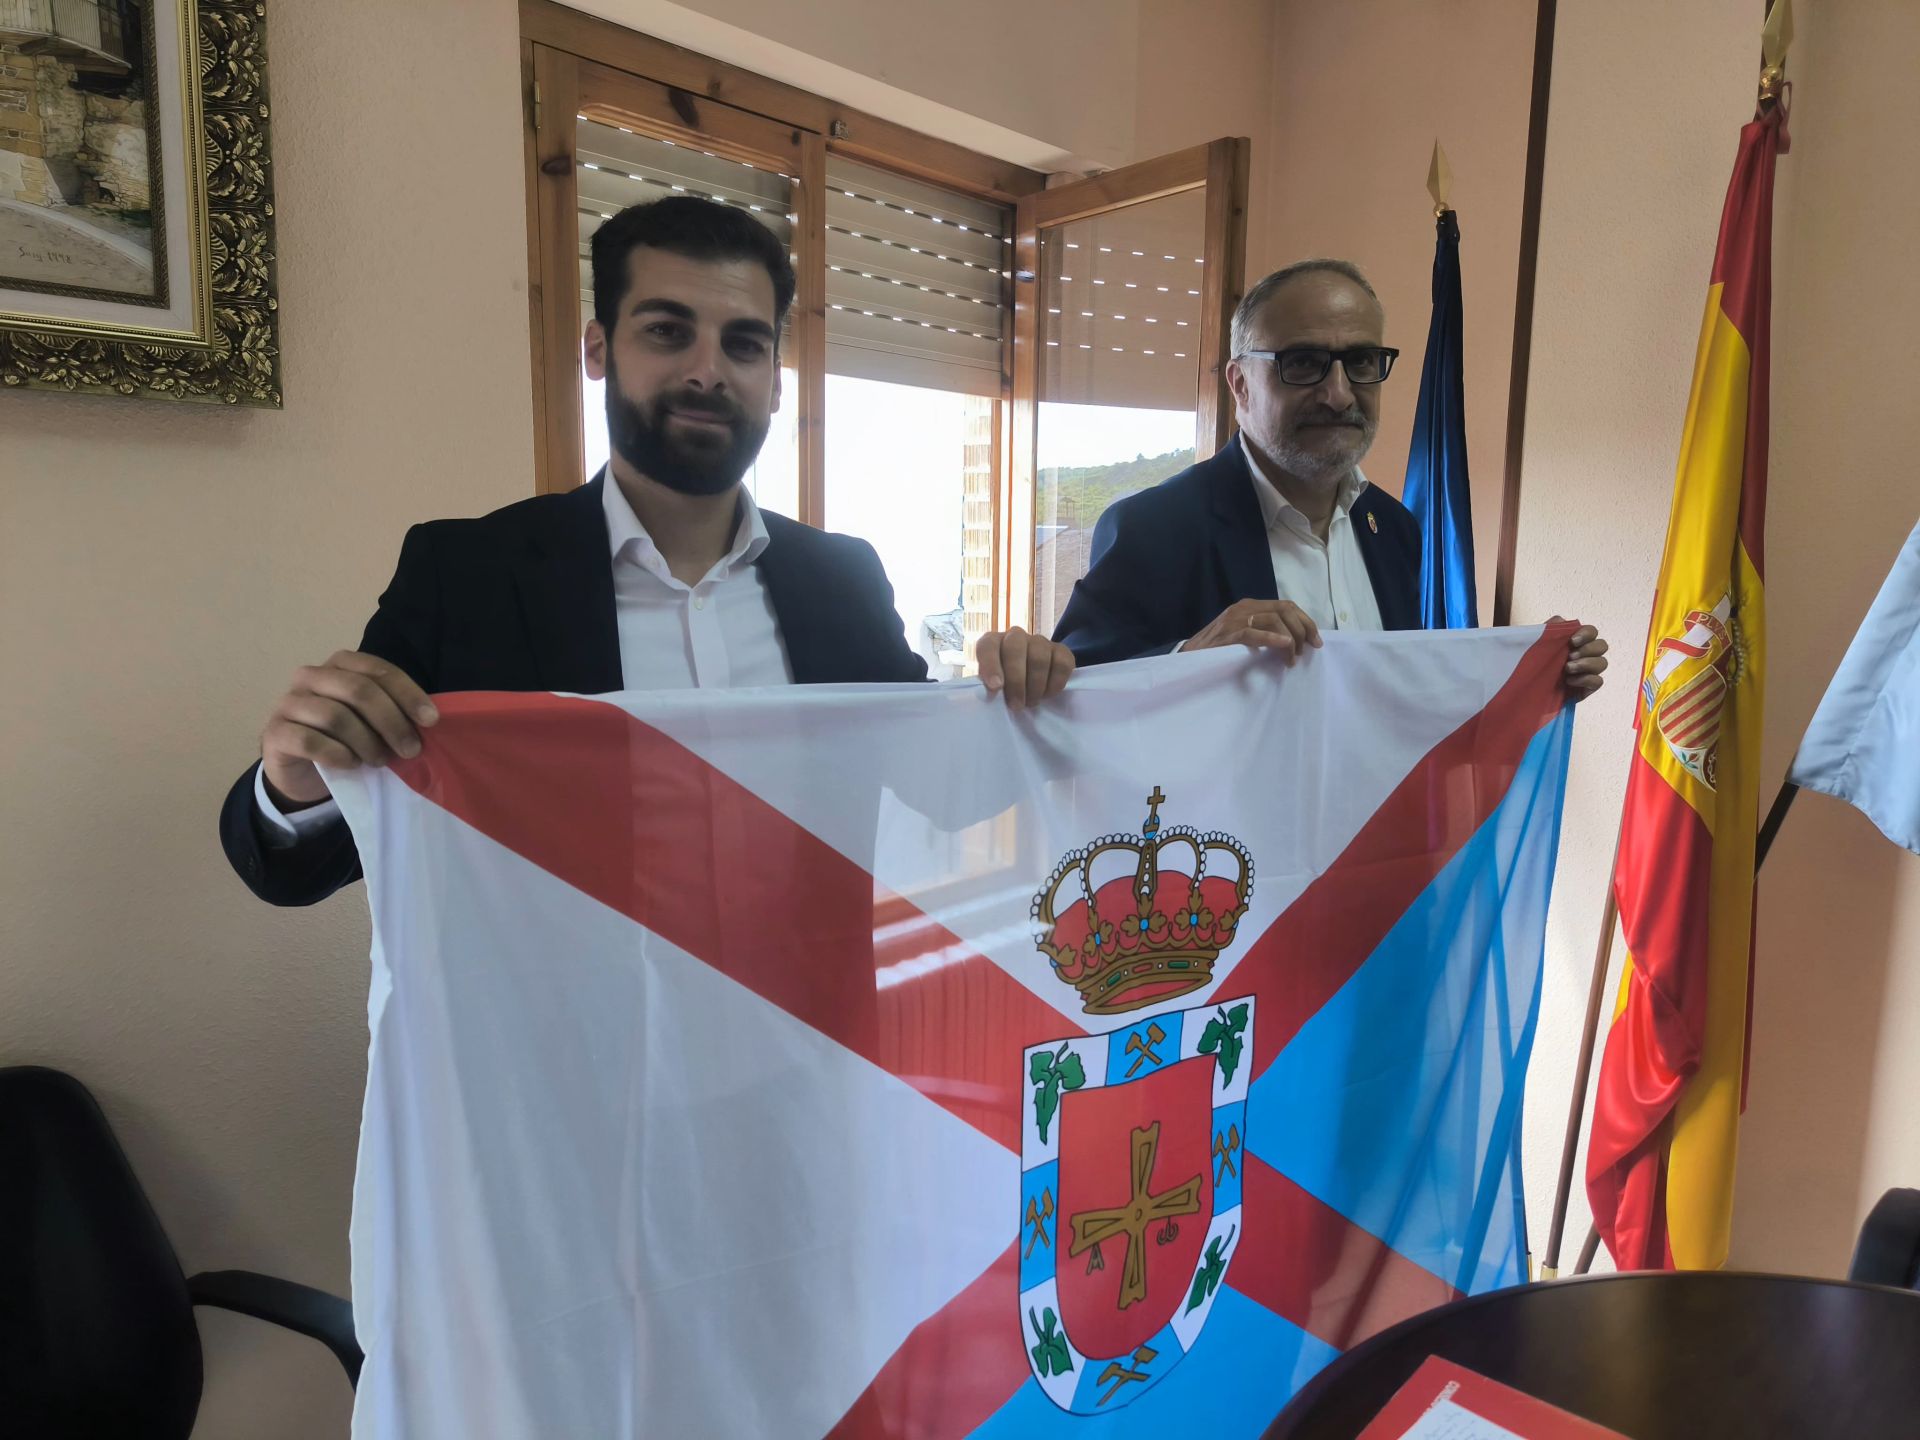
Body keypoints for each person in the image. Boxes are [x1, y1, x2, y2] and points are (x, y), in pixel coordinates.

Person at [221, 196, 1074, 907]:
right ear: (599, 350)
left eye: (744, 343)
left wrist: (1030, 695)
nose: (709, 371)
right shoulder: (467, 574)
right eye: (669, 332)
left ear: (777, 378)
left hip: (807, 1072)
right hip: (556, 1081)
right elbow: (300, 865)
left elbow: (945, 791)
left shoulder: (841, 581)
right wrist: (294, 779)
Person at [1051, 258, 1608, 693]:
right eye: (1302, 363)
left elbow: (1400, 695)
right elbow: (1075, 699)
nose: (1339, 393)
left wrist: (1534, 674)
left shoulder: (1394, 529)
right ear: (1240, 384)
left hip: (1370, 838)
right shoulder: (1153, 527)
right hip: (1220, 842)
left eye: (1362, 362)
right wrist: (1187, 659)